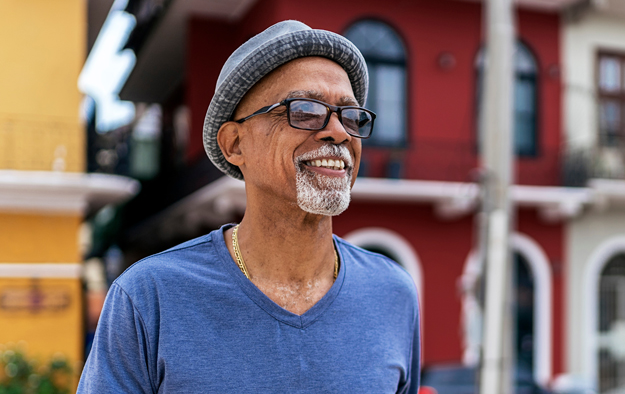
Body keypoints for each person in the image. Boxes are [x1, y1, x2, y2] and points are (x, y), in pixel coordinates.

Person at [77, 20, 420, 393]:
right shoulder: (148, 298)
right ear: (235, 144)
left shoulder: (393, 293)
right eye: (304, 110)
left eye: (350, 115)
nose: (338, 132)